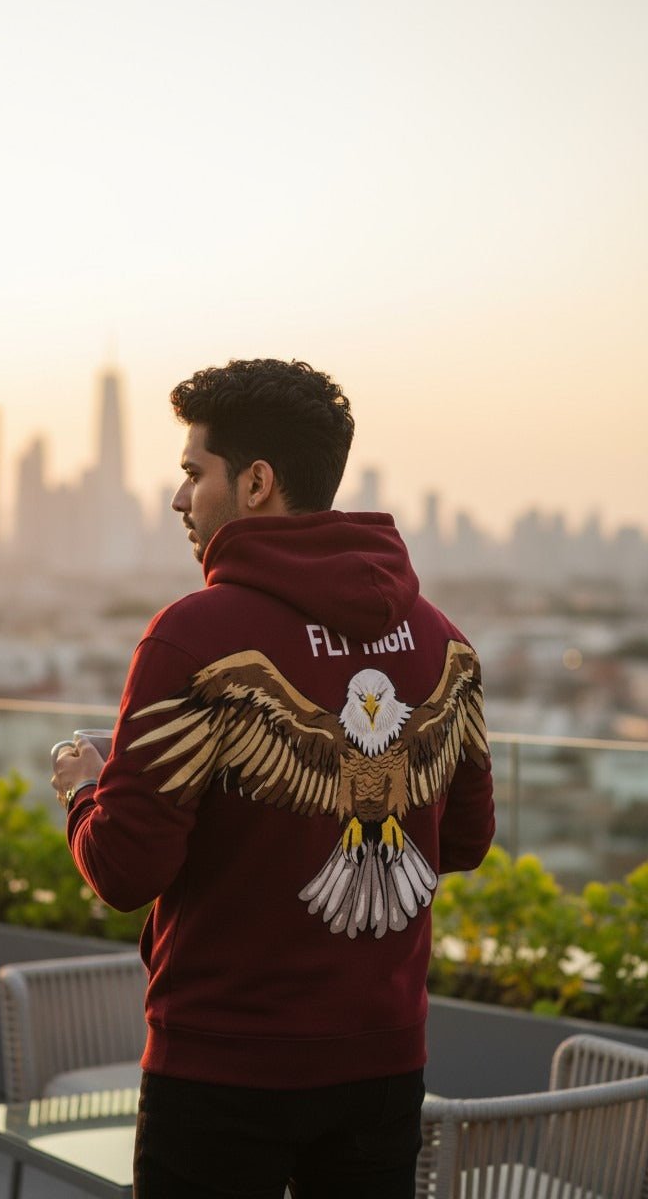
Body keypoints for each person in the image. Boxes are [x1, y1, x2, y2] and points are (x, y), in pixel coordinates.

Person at [51, 358, 494, 1199]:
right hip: (385, 1060)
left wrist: (83, 789)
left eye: (193, 473)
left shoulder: (195, 637)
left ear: (255, 483)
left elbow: (122, 870)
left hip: (224, 1065)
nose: (180, 500)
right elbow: (465, 839)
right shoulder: (443, 641)